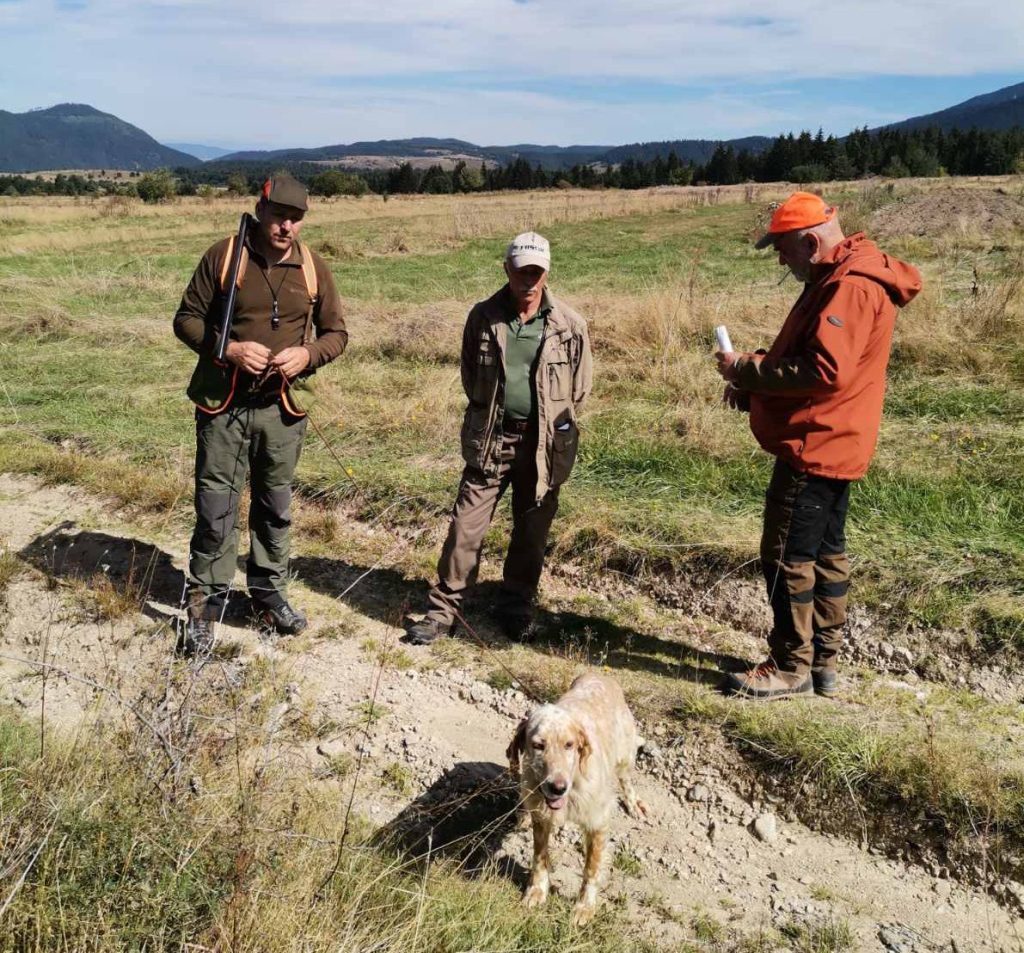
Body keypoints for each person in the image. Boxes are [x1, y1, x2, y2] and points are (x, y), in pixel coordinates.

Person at [715, 191, 921, 699]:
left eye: (782, 250)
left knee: (786, 554)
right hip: (837, 438)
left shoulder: (848, 286)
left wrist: (746, 369)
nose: (781, 260)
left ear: (810, 241)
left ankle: (791, 666)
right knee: (826, 553)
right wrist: (758, 387)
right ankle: (822, 662)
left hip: (816, 444)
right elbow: (824, 364)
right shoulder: (843, 275)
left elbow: (823, 370)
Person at [173, 173, 347, 655]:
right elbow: (185, 319)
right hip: (222, 405)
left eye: (296, 218)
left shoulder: (314, 269)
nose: (287, 226)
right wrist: (227, 349)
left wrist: (307, 356)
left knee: (275, 508)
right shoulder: (224, 256)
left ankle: (269, 594)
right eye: (279, 216)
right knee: (216, 506)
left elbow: (337, 333)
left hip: (282, 410)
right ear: (261, 210)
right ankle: (206, 603)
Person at [405, 232, 593, 645]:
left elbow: (580, 389)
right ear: (505, 268)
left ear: (545, 272)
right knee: (465, 527)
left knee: (531, 531)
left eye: (536, 271)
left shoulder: (570, 324)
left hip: (544, 445)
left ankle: (516, 605)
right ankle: (442, 611)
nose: (528, 279)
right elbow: (471, 376)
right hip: (492, 437)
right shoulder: (482, 317)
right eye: (521, 269)